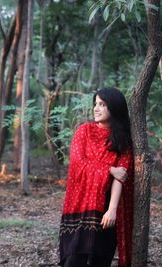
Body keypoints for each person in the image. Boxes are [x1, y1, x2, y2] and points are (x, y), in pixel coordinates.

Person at [58, 87, 134, 267]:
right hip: (80, 205)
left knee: (101, 260)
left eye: (102, 104)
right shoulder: (84, 131)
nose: (96, 108)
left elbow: (121, 176)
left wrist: (112, 210)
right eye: (95, 104)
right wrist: (110, 169)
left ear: (114, 108)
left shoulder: (123, 140)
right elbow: (78, 162)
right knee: (73, 260)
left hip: (106, 207)